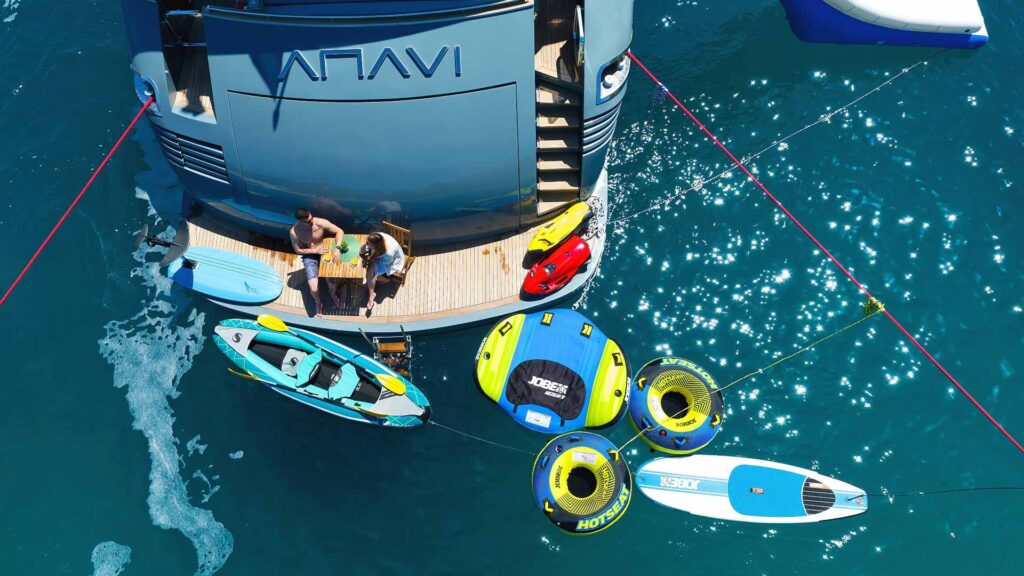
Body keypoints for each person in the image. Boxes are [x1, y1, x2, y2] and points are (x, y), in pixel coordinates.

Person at [290, 208, 344, 317]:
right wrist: (314, 251)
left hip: (324, 250)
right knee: (314, 288)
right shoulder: (294, 232)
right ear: (300, 221)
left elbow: (339, 231)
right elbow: (297, 250)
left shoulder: (320, 222)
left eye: (311, 218)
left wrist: (337, 249)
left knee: (332, 281)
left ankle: (332, 294)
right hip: (310, 254)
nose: (312, 222)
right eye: (308, 221)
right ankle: (318, 302)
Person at [362, 231, 406, 312]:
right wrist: (366, 257)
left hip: (392, 262)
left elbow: (385, 262)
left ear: (375, 246)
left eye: (369, 244)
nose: (367, 244)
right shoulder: (376, 236)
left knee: (371, 273)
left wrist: (370, 260)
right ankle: (372, 294)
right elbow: (367, 246)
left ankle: (384, 282)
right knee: (370, 271)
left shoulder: (388, 253)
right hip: (382, 257)